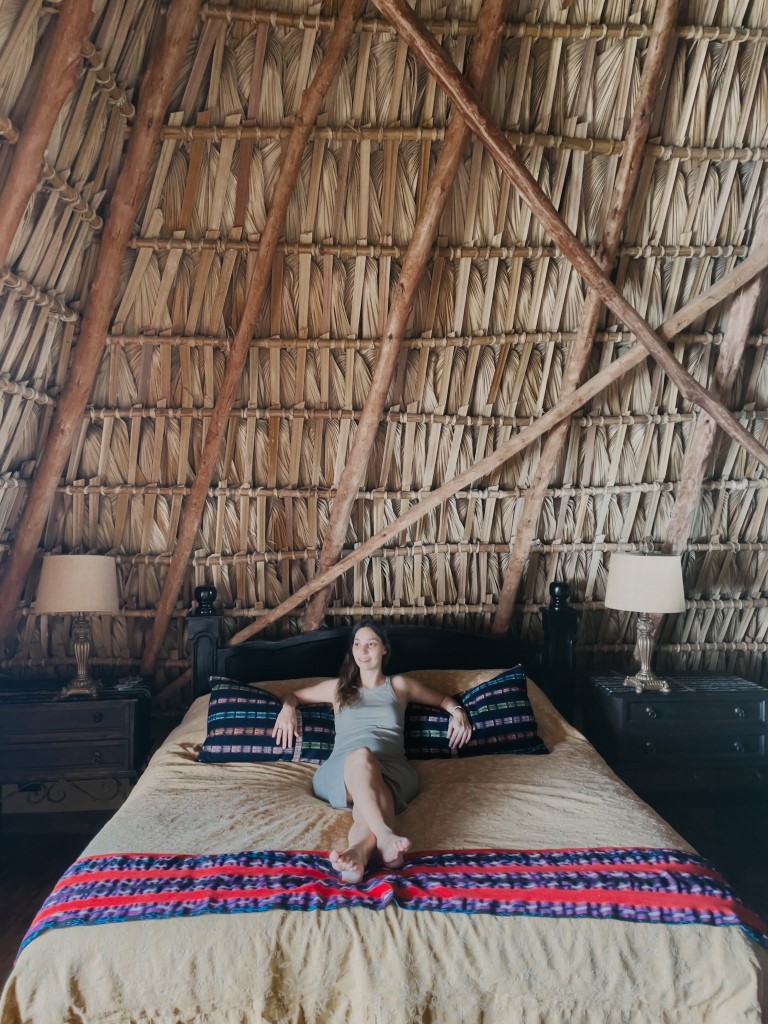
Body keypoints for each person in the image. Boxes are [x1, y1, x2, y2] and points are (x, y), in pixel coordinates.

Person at [272, 618, 472, 883]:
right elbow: (293, 695)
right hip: (341, 771)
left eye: (370, 644)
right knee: (362, 758)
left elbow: (443, 700)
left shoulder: (399, 686)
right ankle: (385, 837)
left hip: (392, 770)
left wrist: (458, 713)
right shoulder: (338, 688)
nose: (362, 651)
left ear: (384, 649)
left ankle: (358, 854)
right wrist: (288, 708)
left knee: (370, 796)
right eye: (357, 644)